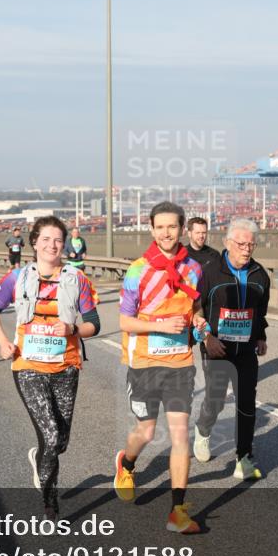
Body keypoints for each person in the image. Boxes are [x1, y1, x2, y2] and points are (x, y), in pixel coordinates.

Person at [0, 216, 100, 522]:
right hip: (28, 367)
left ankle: (39, 459)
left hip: (66, 369)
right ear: (34, 242)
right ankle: (51, 507)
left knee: (60, 442)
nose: (52, 245)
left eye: (58, 240)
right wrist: (2, 343)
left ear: (64, 245)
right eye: (46, 239)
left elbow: (94, 325)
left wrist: (73, 328)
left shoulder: (78, 280)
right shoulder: (17, 278)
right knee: (50, 436)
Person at [113, 202, 206, 534]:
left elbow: (194, 306)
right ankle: (126, 463)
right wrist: (158, 328)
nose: (166, 233)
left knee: (181, 434)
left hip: (180, 363)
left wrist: (199, 321)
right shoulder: (138, 270)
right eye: (160, 227)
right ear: (151, 230)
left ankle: (177, 512)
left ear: (181, 229)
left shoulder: (193, 269)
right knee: (147, 433)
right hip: (144, 364)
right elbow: (124, 320)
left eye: (172, 227)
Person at [193, 218, 270, 480]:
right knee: (215, 400)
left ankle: (244, 458)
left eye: (251, 244)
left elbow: (260, 310)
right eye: (241, 244)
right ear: (227, 243)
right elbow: (195, 310)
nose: (247, 249)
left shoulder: (260, 275)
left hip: (246, 351)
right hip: (216, 348)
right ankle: (203, 432)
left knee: (246, 403)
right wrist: (206, 339)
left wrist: (260, 336)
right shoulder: (209, 272)